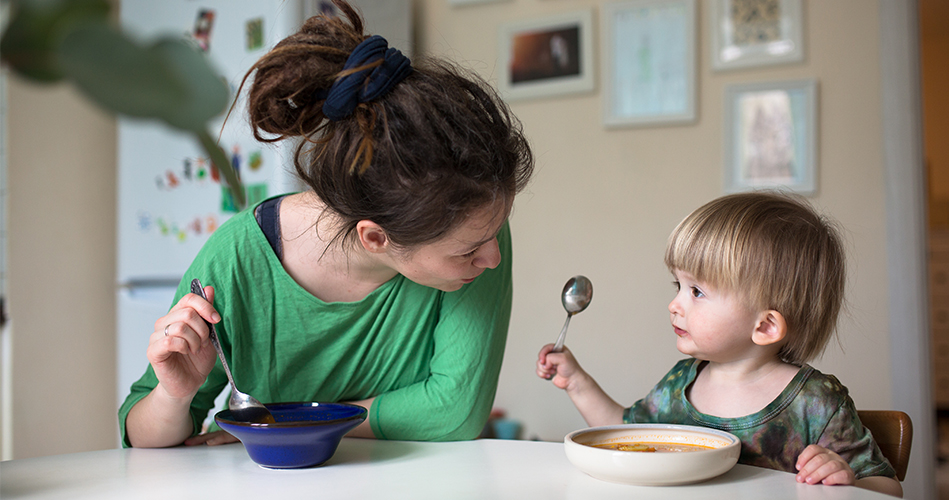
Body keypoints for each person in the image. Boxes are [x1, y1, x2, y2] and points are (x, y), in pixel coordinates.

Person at [120, 0, 533, 448]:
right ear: (375, 237)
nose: (490, 257)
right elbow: (139, 438)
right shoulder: (237, 259)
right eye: (468, 251)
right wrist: (174, 396)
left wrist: (285, 424)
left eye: (491, 236)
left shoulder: (476, 235)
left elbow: (455, 412)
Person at [536, 191, 903, 497]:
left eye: (696, 291)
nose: (674, 304)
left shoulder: (816, 403)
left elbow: (888, 486)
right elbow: (621, 430)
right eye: (676, 286)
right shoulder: (681, 383)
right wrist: (576, 380)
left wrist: (848, 480)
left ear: (765, 326)